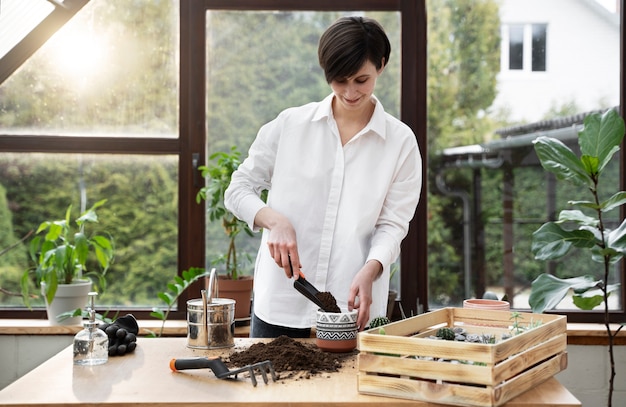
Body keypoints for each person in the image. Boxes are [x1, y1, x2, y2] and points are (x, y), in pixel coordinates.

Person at [224, 16, 422, 338]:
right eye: (339, 80)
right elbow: (237, 189)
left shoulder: (400, 143)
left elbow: (393, 225)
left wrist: (372, 270)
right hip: (279, 306)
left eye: (361, 80)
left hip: (352, 309)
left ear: (381, 66)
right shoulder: (290, 126)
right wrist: (273, 220)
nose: (350, 92)